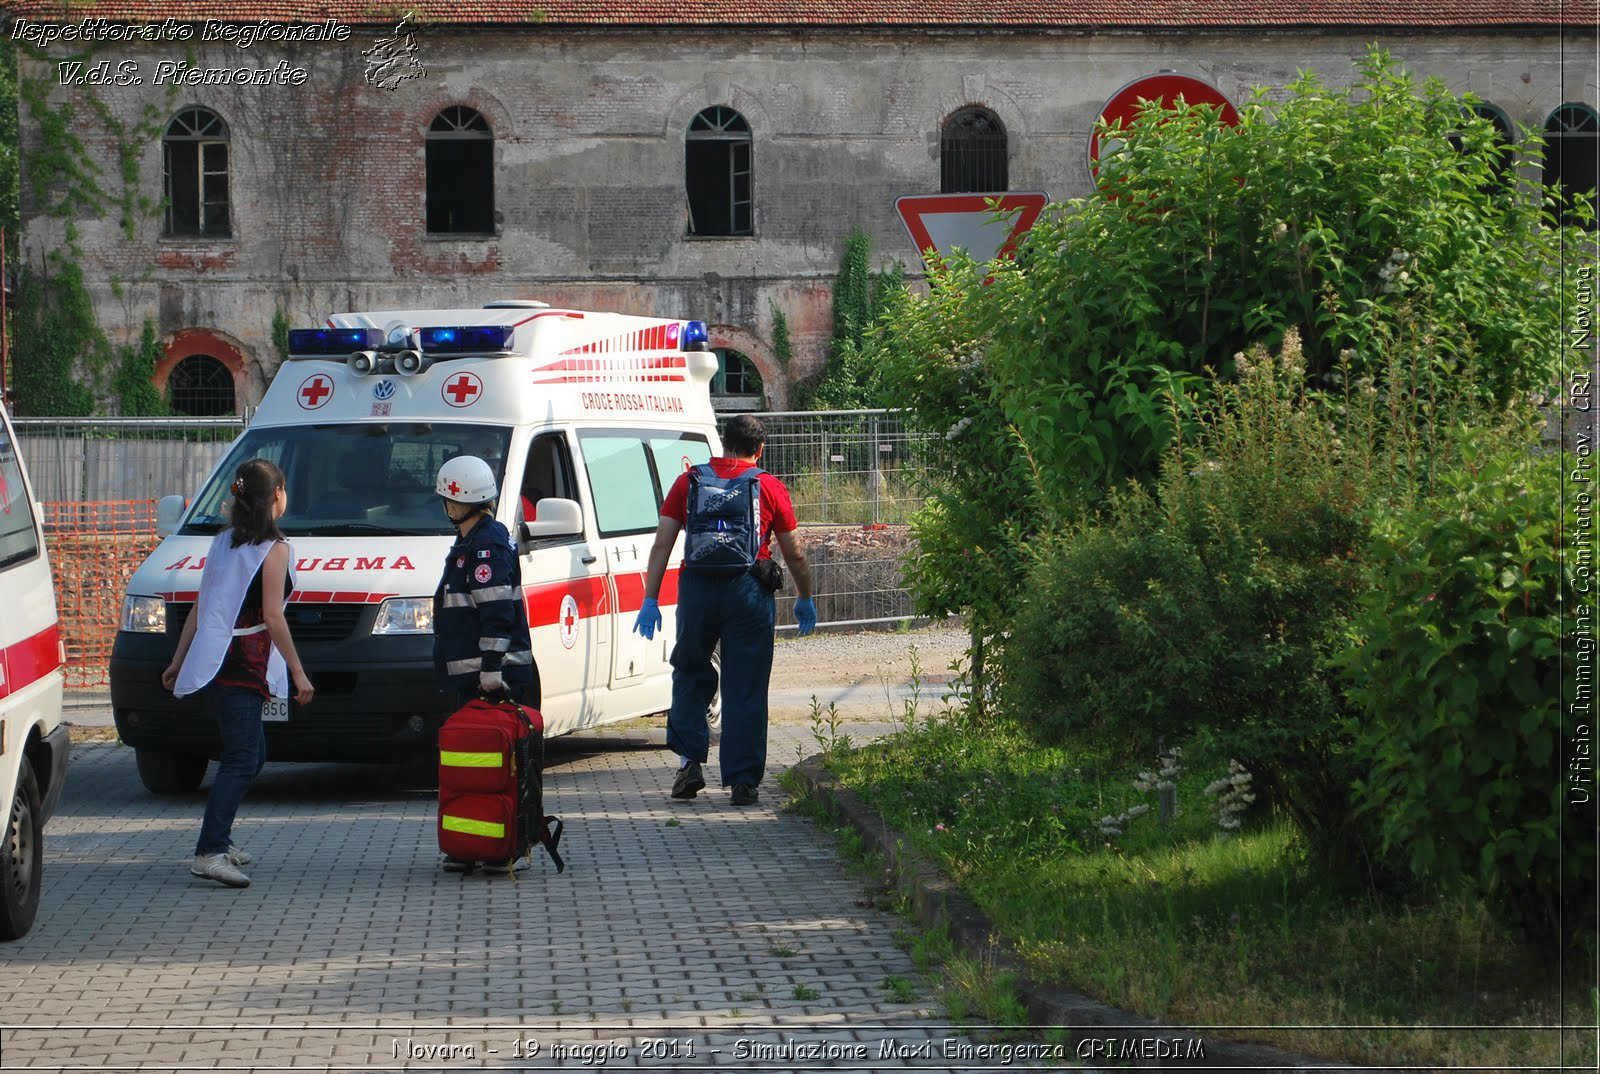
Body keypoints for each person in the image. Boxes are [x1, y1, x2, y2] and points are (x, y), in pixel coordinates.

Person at [633, 414, 816, 806]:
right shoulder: (768, 486)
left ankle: (689, 764)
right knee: (745, 684)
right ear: (760, 448)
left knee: (690, 671)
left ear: (723, 443)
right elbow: (795, 552)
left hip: (697, 588)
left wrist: (650, 598)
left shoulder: (689, 481)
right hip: (749, 591)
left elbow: (662, 544)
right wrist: (804, 596)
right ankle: (743, 781)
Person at [162, 458, 314, 889]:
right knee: (242, 758)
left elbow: (200, 605)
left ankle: (219, 840)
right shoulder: (275, 548)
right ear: (278, 495)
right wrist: (300, 674)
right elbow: (273, 615)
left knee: (253, 753)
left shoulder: (224, 540)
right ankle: (209, 852)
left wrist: (178, 660)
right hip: (242, 662)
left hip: (218, 659)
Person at [431, 455, 537, 710]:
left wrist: (491, 668)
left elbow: (497, 612)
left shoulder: (485, 546)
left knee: (486, 748)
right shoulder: (474, 539)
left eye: (447, 501)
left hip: (490, 680)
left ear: (454, 506)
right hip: (478, 676)